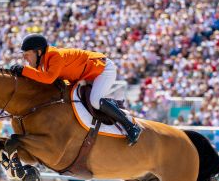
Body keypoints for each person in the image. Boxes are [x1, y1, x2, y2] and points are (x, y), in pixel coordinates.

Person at [9, 34, 142, 145]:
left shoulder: (55, 56)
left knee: (95, 101)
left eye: (27, 54)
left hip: (103, 69)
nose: (24, 58)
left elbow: (48, 79)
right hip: (86, 75)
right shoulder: (42, 64)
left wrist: (24, 70)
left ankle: (130, 126)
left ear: (38, 52)